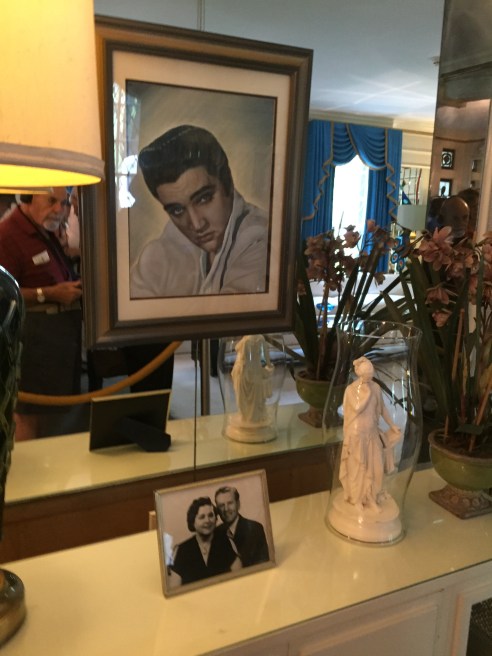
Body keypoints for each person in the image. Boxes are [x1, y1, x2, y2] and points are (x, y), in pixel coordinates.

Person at [130, 124, 269, 298]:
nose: (196, 224)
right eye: (177, 210)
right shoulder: (164, 249)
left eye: (203, 199)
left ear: (227, 183)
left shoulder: (259, 238)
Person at [0, 189, 83, 441]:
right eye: (51, 201)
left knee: (51, 418)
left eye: (64, 203)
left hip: (56, 343)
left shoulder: (44, 231)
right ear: (27, 197)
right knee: (29, 417)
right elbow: (3, 293)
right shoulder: (7, 235)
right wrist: (48, 294)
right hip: (33, 343)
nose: (59, 209)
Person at [339, 357, 401, 512]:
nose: (370, 377)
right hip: (356, 436)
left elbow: (382, 409)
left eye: (371, 374)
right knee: (358, 469)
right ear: (360, 374)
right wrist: (366, 392)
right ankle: (358, 499)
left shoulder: (376, 388)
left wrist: (392, 425)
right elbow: (357, 407)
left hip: (372, 434)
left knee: (376, 468)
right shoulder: (351, 390)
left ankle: (372, 498)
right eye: (367, 375)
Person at [170, 496, 240, 587]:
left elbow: (240, 578)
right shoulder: (182, 550)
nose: (207, 520)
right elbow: (175, 588)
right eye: (202, 517)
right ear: (193, 522)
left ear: (216, 519)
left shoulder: (225, 543)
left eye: (211, 515)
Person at [215, 486, 269, 567]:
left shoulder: (255, 529)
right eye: (221, 505)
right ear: (217, 509)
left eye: (230, 503)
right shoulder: (215, 533)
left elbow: (263, 564)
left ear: (238, 504)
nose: (226, 509)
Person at [231, 335, 274, 425]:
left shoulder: (246, 340)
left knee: (242, 398)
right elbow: (267, 358)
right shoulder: (260, 338)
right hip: (253, 371)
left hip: (244, 371)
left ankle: (247, 418)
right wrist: (269, 367)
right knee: (254, 398)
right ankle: (252, 418)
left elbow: (238, 350)